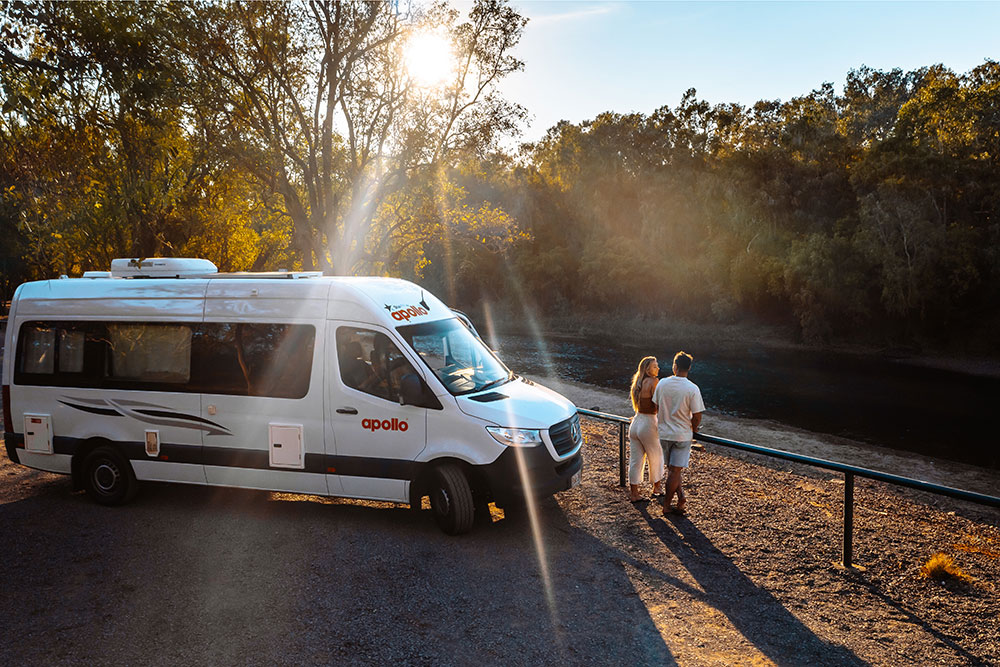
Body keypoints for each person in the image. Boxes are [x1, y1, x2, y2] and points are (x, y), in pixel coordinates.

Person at [654, 351, 705, 515]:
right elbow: (697, 415)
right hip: (682, 435)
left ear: (674, 366)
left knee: (673, 470)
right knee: (675, 471)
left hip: (664, 433)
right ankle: (667, 506)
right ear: (689, 368)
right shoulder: (692, 388)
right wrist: (694, 428)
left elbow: (656, 406)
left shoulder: (662, 383)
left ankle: (681, 497)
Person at [627, 356, 664, 502]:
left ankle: (634, 494)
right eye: (655, 366)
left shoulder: (638, 382)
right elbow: (658, 405)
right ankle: (657, 488)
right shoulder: (654, 381)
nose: (658, 368)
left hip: (636, 423)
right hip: (648, 423)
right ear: (648, 370)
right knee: (656, 456)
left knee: (635, 460)